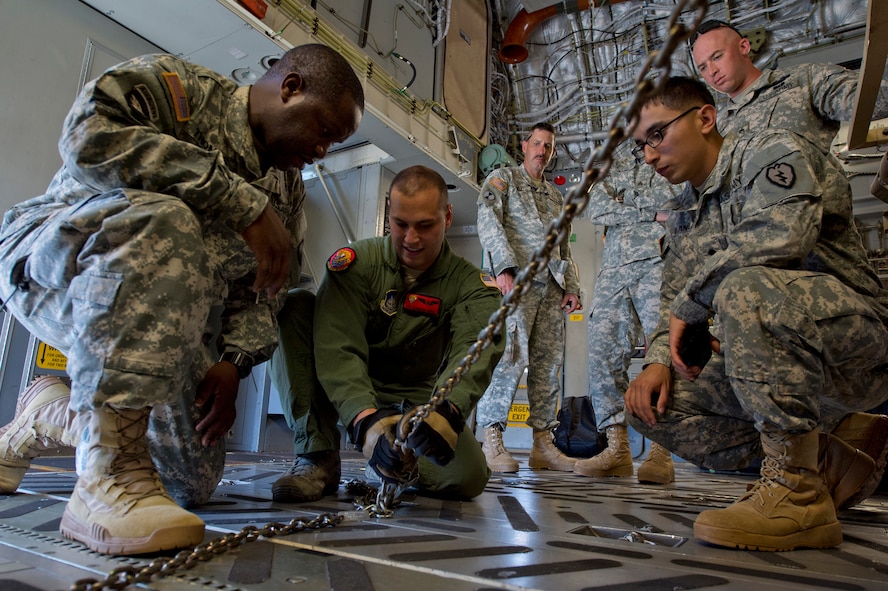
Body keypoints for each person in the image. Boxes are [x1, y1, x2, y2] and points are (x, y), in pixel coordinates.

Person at [0, 44, 364, 556]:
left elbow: (267, 285)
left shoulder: (286, 187)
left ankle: (45, 416)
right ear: (290, 88)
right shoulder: (181, 92)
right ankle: (105, 482)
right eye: (325, 130)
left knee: (189, 483)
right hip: (56, 267)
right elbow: (87, 137)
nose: (325, 150)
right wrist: (239, 202)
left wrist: (233, 363)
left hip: (160, 325)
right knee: (165, 221)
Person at [624, 75, 888, 551]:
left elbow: (784, 234)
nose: (648, 155)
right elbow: (671, 299)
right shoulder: (684, 214)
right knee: (651, 405)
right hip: (773, 359)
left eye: (657, 134)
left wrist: (696, 300)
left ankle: (797, 494)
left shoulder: (770, 150)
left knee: (745, 289)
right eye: (640, 145)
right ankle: (823, 462)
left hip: (855, 345)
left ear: (705, 118)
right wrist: (658, 360)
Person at [269, 165, 505, 503]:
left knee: (467, 477)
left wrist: (447, 411)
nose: (411, 239)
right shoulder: (355, 265)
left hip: (417, 401)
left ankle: (393, 463)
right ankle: (317, 456)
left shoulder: (472, 287)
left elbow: (474, 351)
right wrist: (367, 423)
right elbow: (339, 349)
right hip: (344, 388)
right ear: (389, 213)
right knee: (295, 306)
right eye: (401, 224)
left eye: (425, 226)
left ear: (448, 216)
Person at [475, 122, 582, 474]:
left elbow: (564, 246)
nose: (542, 150)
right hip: (517, 283)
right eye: (537, 143)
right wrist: (503, 267)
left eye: (548, 146)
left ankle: (542, 442)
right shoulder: (503, 180)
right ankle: (491, 436)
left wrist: (572, 286)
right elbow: (488, 221)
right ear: (524, 146)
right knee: (510, 357)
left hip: (551, 288)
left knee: (548, 366)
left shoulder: (555, 197)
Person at [572, 151, 679, 483]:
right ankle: (617, 447)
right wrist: (648, 210)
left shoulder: (667, 150)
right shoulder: (611, 159)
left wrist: (624, 202)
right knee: (602, 354)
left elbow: (675, 200)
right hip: (614, 269)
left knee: (665, 352)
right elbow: (596, 206)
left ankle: (662, 451)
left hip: (658, 261)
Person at [691, 19, 888, 154]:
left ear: (744, 47)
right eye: (702, 67)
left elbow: (874, 103)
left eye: (717, 57)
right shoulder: (717, 127)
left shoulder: (804, 80)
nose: (712, 71)